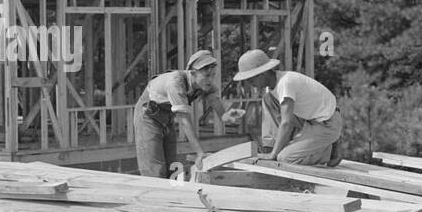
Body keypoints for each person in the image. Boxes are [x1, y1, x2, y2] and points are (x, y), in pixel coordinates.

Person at [132, 50, 243, 178]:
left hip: (166, 118)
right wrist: (199, 153)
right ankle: (155, 196)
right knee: (155, 171)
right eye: (206, 75)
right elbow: (184, 121)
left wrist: (226, 117)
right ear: (192, 73)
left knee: (172, 167)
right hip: (148, 117)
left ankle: (172, 197)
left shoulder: (206, 85)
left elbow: (216, 104)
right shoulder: (175, 83)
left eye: (213, 75)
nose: (210, 80)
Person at [231, 49, 343, 166]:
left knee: (285, 159)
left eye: (251, 79)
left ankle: (328, 151)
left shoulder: (285, 83)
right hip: (310, 121)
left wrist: (274, 155)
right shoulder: (272, 89)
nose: (250, 83)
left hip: (327, 124)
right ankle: (273, 148)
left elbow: (286, 123)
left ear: (262, 73)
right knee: (268, 99)